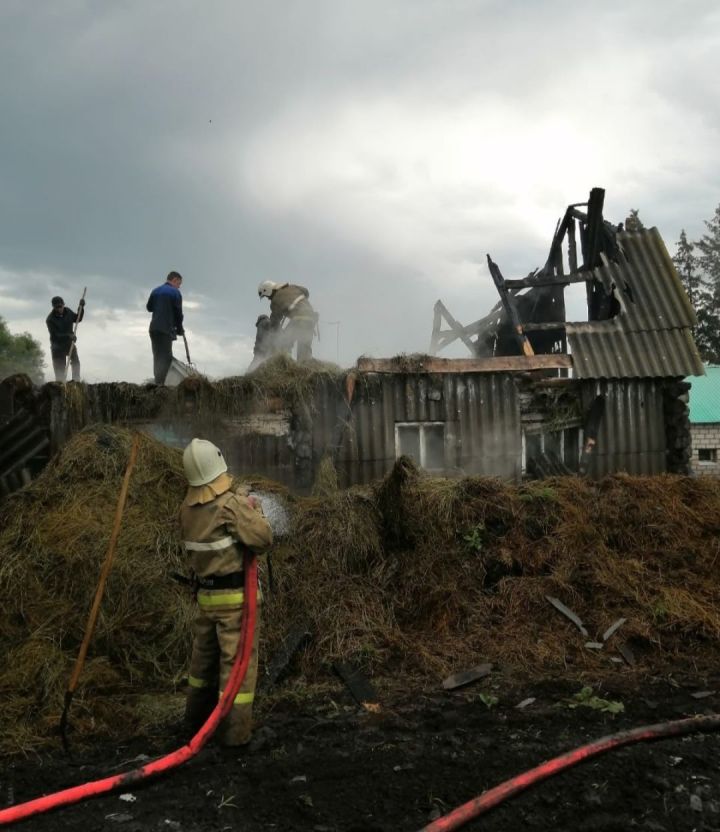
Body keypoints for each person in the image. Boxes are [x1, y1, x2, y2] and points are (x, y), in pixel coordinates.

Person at [180, 438, 273, 747]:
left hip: (206, 601)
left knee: (202, 666)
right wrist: (254, 512)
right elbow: (262, 539)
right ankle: (235, 737)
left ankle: (195, 725)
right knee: (238, 670)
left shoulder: (187, 510)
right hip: (236, 604)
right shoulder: (228, 506)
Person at [257, 281, 317, 362]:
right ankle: (306, 367)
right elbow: (306, 291)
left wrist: (273, 338)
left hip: (298, 320)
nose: (268, 298)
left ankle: (287, 367)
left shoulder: (275, 301)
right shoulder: (293, 287)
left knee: (283, 345)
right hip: (311, 320)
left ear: (268, 291)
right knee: (304, 351)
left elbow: (274, 322)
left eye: (267, 296)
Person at [146, 271, 184, 384]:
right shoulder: (175, 293)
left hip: (153, 329)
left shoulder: (155, 291)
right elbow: (178, 314)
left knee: (157, 355)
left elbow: (149, 308)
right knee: (166, 357)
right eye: (179, 283)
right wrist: (180, 329)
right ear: (175, 280)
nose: (179, 286)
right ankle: (160, 384)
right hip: (165, 329)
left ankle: (158, 381)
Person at [45, 295, 85, 382]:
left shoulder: (68, 312)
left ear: (63, 304)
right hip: (57, 347)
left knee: (75, 362)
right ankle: (61, 385)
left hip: (69, 344)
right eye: (57, 307)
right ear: (54, 307)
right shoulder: (50, 319)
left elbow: (78, 318)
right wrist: (69, 336)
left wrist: (81, 308)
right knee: (60, 373)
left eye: (61, 306)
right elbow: (55, 336)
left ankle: (76, 381)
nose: (60, 309)